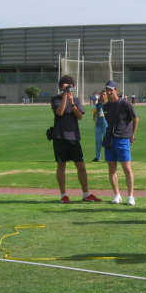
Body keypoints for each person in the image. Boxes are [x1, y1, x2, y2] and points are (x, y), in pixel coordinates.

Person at [51, 76, 101, 204]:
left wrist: (72, 103)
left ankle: (86, 194)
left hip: (73, 138)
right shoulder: (55, 99)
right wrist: (65, 98)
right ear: (61, 87)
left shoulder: (76, 100)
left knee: (81, 166)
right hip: (60, 137)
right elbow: (60, 112)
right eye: (66, 86)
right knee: (61, 166)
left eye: (70, 86)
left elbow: (80, 116)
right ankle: (63, 195)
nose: (68, 88)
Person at [102, 80, 139, 206]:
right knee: (111, 169)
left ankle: (131, 196)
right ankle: (117, 194)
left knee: (127, 169)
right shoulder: (105, 106)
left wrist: (132, 134)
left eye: (111, 90)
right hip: (109, 140)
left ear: (116, 90)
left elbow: (135, 118)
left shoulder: (125, 104)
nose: (109, 92)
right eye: (107, 90)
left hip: (123, 139)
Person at [93, 91, 108, 162]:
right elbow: (94, 114)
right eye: (101, 95)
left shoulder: (109, 104)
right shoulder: (97, 105)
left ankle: (107, 157)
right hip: (98, 125)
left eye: (104, 94)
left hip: (107, 125)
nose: (102, 96)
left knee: (107, 142)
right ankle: (97, 157)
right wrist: (95, 122)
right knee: (98, 141)